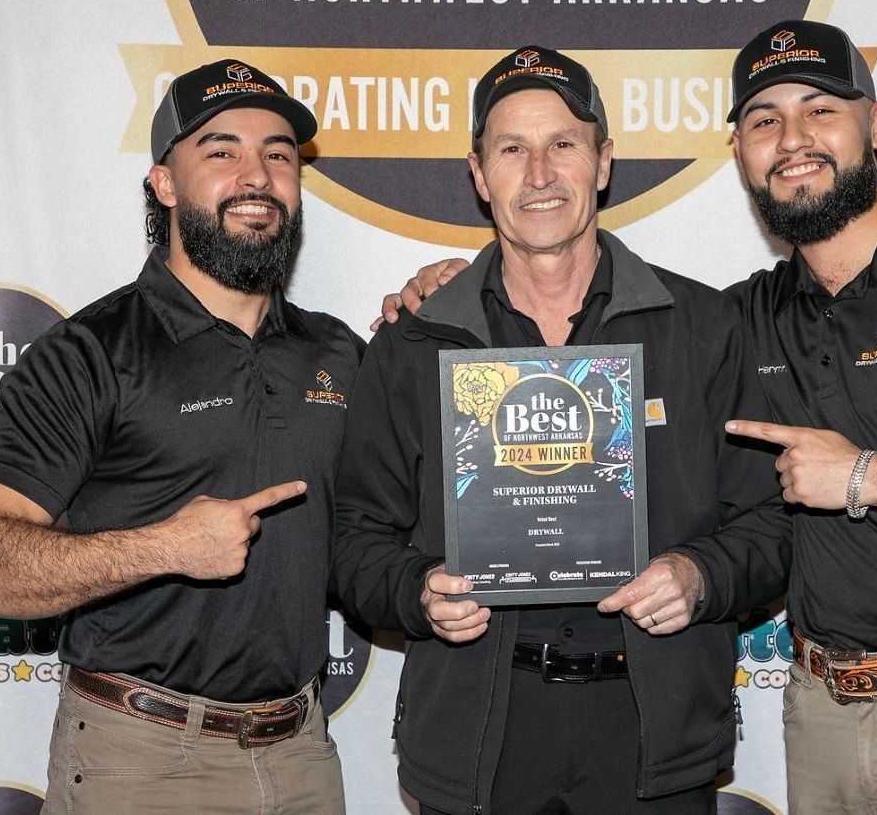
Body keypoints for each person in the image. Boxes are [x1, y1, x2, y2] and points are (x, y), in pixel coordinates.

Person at [379, 21, 877, 814]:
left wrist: (866, 476)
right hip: (822, 716)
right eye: (766, 120)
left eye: (821, 110)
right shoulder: (740, 319)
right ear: (740, 150)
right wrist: (439, 293)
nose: (794, 139)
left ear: (875, 126)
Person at [331, 45, 790, 815]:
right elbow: (352, 539)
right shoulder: (416, 343)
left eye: (563, 144)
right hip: (480, 729)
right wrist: (415, 592)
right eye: (512, 148)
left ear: (603, 162)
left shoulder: (705, 329)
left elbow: (772, 526)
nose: (539, 173)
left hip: (654, 732)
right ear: (480, 175)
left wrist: (701, 575)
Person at [0, 59, 361, 814]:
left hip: (303, 755)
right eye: (221, 151)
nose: (256, 175)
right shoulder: (91, 351)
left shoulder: (337, 353)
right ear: (164, 184)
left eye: (279, 154)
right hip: (139, 762)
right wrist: (166, 547)